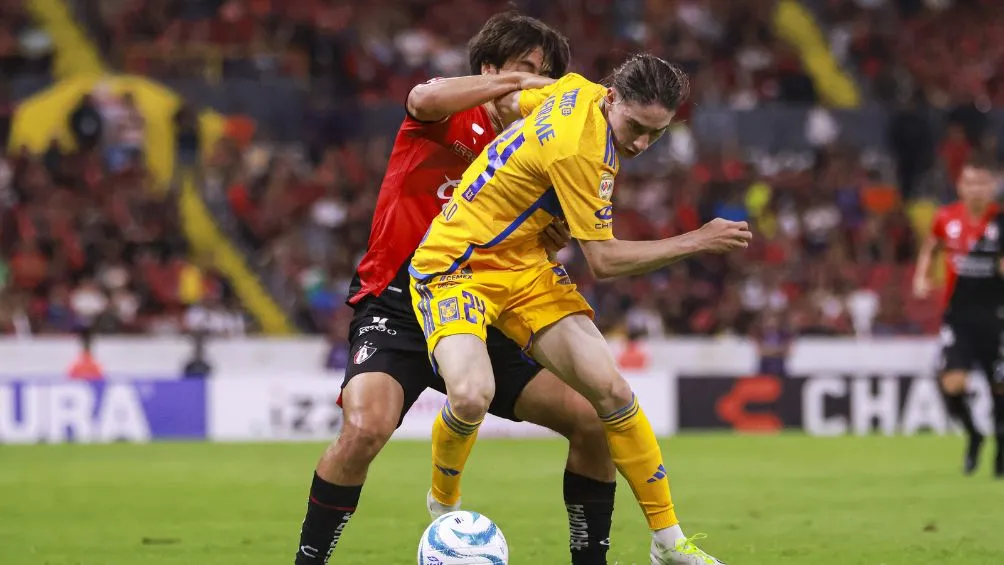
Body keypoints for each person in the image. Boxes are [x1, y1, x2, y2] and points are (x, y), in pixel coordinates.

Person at [294, 13, 621, 565]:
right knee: (365, 426)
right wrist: (520, 84)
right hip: (399, 306)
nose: (538, 85)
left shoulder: (541, 153)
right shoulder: (447, 113)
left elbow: (535, 248)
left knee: (593, 422)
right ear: (490, 69)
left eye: (545, 76)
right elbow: (422, 98)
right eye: (526, 70)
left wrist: (552, 238)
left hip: (482, 311)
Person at [409, 55, 752, 564]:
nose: (640, 144)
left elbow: (508, 102)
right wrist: (696, 239)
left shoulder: (577, 90)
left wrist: (529, 188)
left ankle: (668, 542)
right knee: (472, 394)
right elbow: (605, 261)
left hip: (524, 264)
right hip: (456, 264)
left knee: (611, 389)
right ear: (613, 98)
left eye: (655, 135)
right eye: (636, 128)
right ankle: (444, 510)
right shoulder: (581, 148)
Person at [913, 152, 1004, 477]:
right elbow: (932, 246)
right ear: (960, 186)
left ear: (993, 186)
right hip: (959, 318)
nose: (976, 189)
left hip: (998, 318)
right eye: (969, 182)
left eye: (982, 182)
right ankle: (975, 435)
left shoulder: (999, 221)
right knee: (951, 384)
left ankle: (1000, 448)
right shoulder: (946, 217)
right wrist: (922, 275)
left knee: (1000, 390)